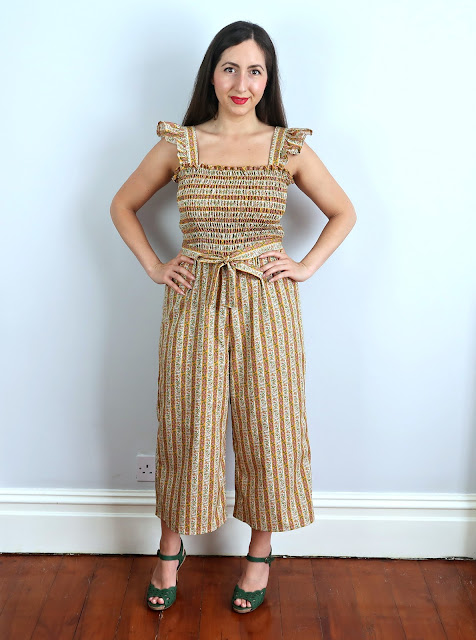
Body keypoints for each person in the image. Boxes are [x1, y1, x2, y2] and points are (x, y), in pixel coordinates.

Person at [110, 20, 356, 615]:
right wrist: (155, 266)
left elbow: (343, 212)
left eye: (254, 71)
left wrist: (305, 265)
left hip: (266, 301)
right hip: (194, 298)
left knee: (268, 424)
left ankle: (259, 553)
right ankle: (170, 549)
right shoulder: (181, 144)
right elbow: (122, 204)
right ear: (212, 75)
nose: (241, 84)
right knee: (187, 422)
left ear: (268, 80)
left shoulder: (286, 147)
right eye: (229, 69)